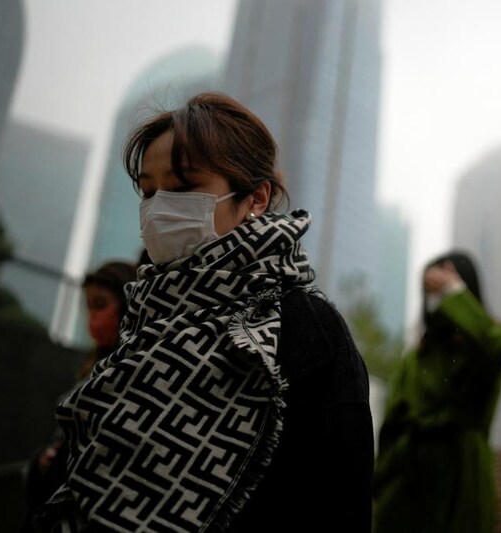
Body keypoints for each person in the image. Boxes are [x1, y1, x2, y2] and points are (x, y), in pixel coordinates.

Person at [31, 92, 373, 532]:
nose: (159, 208)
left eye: (184, 186)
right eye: (149, 191)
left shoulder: (307, 328)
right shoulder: (144, 314)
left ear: (256, 198)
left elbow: (341, 503)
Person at [373, 251, 501, 533]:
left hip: (462, 482)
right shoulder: (414, 358)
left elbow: (500, 344)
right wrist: (382, 479)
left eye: (445, 285)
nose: (436, 295)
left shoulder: (482, 345)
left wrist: (456, 296)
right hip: (405, 488)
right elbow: (391, 427)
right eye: (431, 287)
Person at [22, 261, 136, 525]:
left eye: (100, 304)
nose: (92, 317)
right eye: (88, 307)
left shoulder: (130, 369)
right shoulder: (90, 368)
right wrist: (44, 460)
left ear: (126, 302)